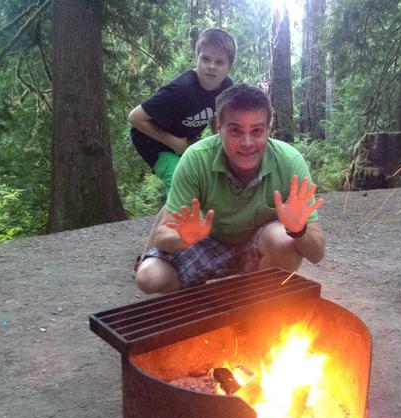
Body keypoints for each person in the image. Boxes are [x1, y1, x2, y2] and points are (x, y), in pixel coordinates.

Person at [135, 85, 325, 294]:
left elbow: (317, 254)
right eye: (236, 130)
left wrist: (298, 230)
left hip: (258, 248)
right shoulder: (196, 158)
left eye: (257, 131)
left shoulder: (289, 162)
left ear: (268, 130)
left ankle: (256, 300)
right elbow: (163, 236)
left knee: (284, 241)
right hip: (209, 242)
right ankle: (200, 296)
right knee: (148, 277)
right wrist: (183, 238)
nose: (247, 143)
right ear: (219, 127)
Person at [128, 27, 237, 191]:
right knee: (180, 182)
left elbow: (216, 112)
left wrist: (221, 140)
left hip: (184, 141)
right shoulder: (180, 89)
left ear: (229, 67)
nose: (211, 66)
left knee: (209, 178)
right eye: (205, 59)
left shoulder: (226, 86)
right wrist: (174, 142)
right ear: (196, 60)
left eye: (219, 62)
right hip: (153, 142)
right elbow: (134, 117)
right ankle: (175, 215)